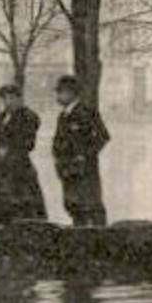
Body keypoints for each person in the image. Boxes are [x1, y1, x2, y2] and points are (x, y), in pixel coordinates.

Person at [51, 75, 110, 227]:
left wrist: (85, 155)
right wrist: (58, 159)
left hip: (85, 170)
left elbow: (103, 137)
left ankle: (101, 240)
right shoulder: (63, 116)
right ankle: (79, 237)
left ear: (72, 93)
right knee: (73, 206)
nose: (58, 96)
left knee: (91, 206)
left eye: (61, 92)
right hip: (67, 168)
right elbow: (58, 142)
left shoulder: (87, 112)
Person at [0, 82, 47, 225]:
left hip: (20, 166)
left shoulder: (27, 117)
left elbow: (28, 143)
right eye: (5, 98)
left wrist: (9, 150)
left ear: (19, 99)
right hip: (2, 167)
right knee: (2, 200)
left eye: (12, 98)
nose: (8, 102)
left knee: (23, 202)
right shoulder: (0, 118)